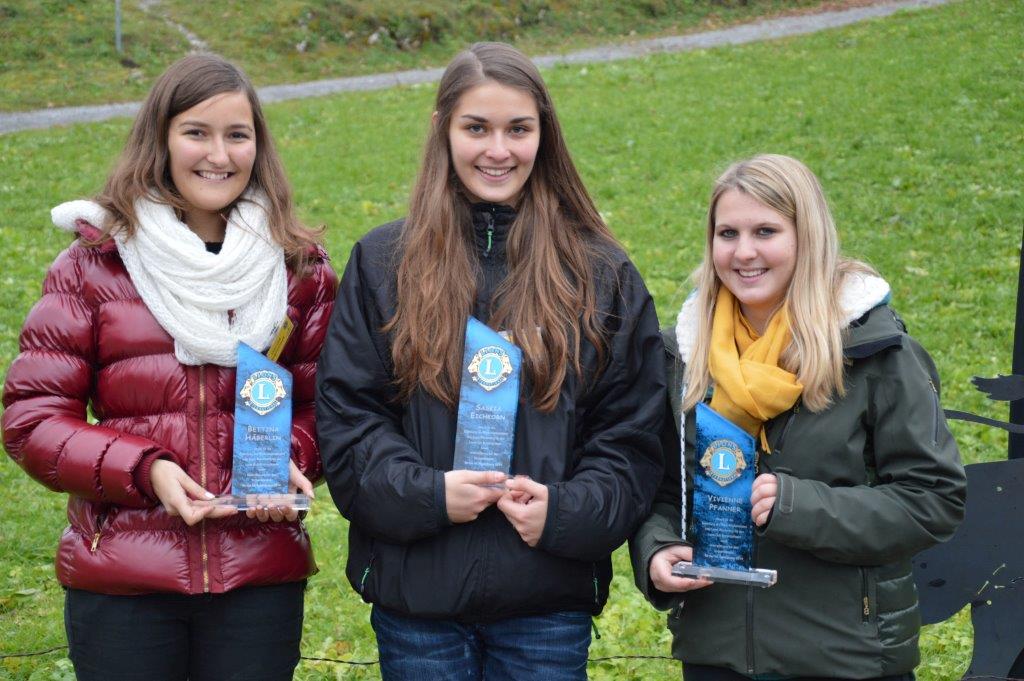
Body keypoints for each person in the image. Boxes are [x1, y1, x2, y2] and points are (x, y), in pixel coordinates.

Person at [316, 41, 665, 680]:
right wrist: (427, 495)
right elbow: (350, 422)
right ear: (442, 130)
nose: (498, 150)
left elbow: (631, 434)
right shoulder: (383, 263)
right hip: (418, 604)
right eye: (476, 128)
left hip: (546, 606)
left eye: (518, 129)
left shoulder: (598, 272)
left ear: (544, 135)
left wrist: (566, 511)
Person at [1, 54, 337, 681]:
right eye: (196, 133)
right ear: (160, 139)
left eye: (237, 135)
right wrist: (145, 469)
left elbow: (329, 406)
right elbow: (33, 419)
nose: (219, 155)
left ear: (258, 147)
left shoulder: (298, 270)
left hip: (257, 577)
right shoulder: (94, 265)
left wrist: (290, 457)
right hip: (124, 580)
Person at [629, 154, 967, 680]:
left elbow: (933, 499)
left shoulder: (874, 352)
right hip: (717, 652)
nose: (744, 252)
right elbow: (661, 488)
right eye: (727, 233)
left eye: (765, 231)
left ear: (807, 237)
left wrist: (798, 505)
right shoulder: (686, 356)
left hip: (844, 656)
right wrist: (657, 548)